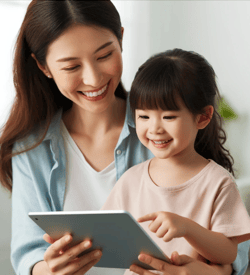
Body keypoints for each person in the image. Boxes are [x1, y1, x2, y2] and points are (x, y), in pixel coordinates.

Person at [0, 0, 250, 274]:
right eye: (71, 67)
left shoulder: (166, 133)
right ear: (43, 66)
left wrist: (212, 271)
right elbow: (28, 255)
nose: (93, 79)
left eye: (104, 56)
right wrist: (49, 269)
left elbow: (233, 248)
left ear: (121, 39)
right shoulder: (32, 148)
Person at [101, 49, 250, 274]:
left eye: (169, 117)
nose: (155, 128)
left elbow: (228, 253)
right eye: (143, 116)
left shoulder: (217, 182)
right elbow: (104, 234)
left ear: (203, 117)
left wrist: (187, 228)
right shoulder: (131, 179)